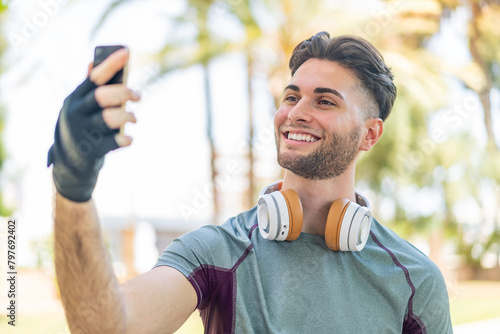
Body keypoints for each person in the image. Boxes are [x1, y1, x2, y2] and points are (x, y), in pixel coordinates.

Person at [48, 32, 453, 333]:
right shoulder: (215, 251)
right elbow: (107, 326)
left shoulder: (416, 280)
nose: (296, 112)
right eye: (292, 96)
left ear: (370, 134)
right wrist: (72, 186)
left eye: (325, 101)